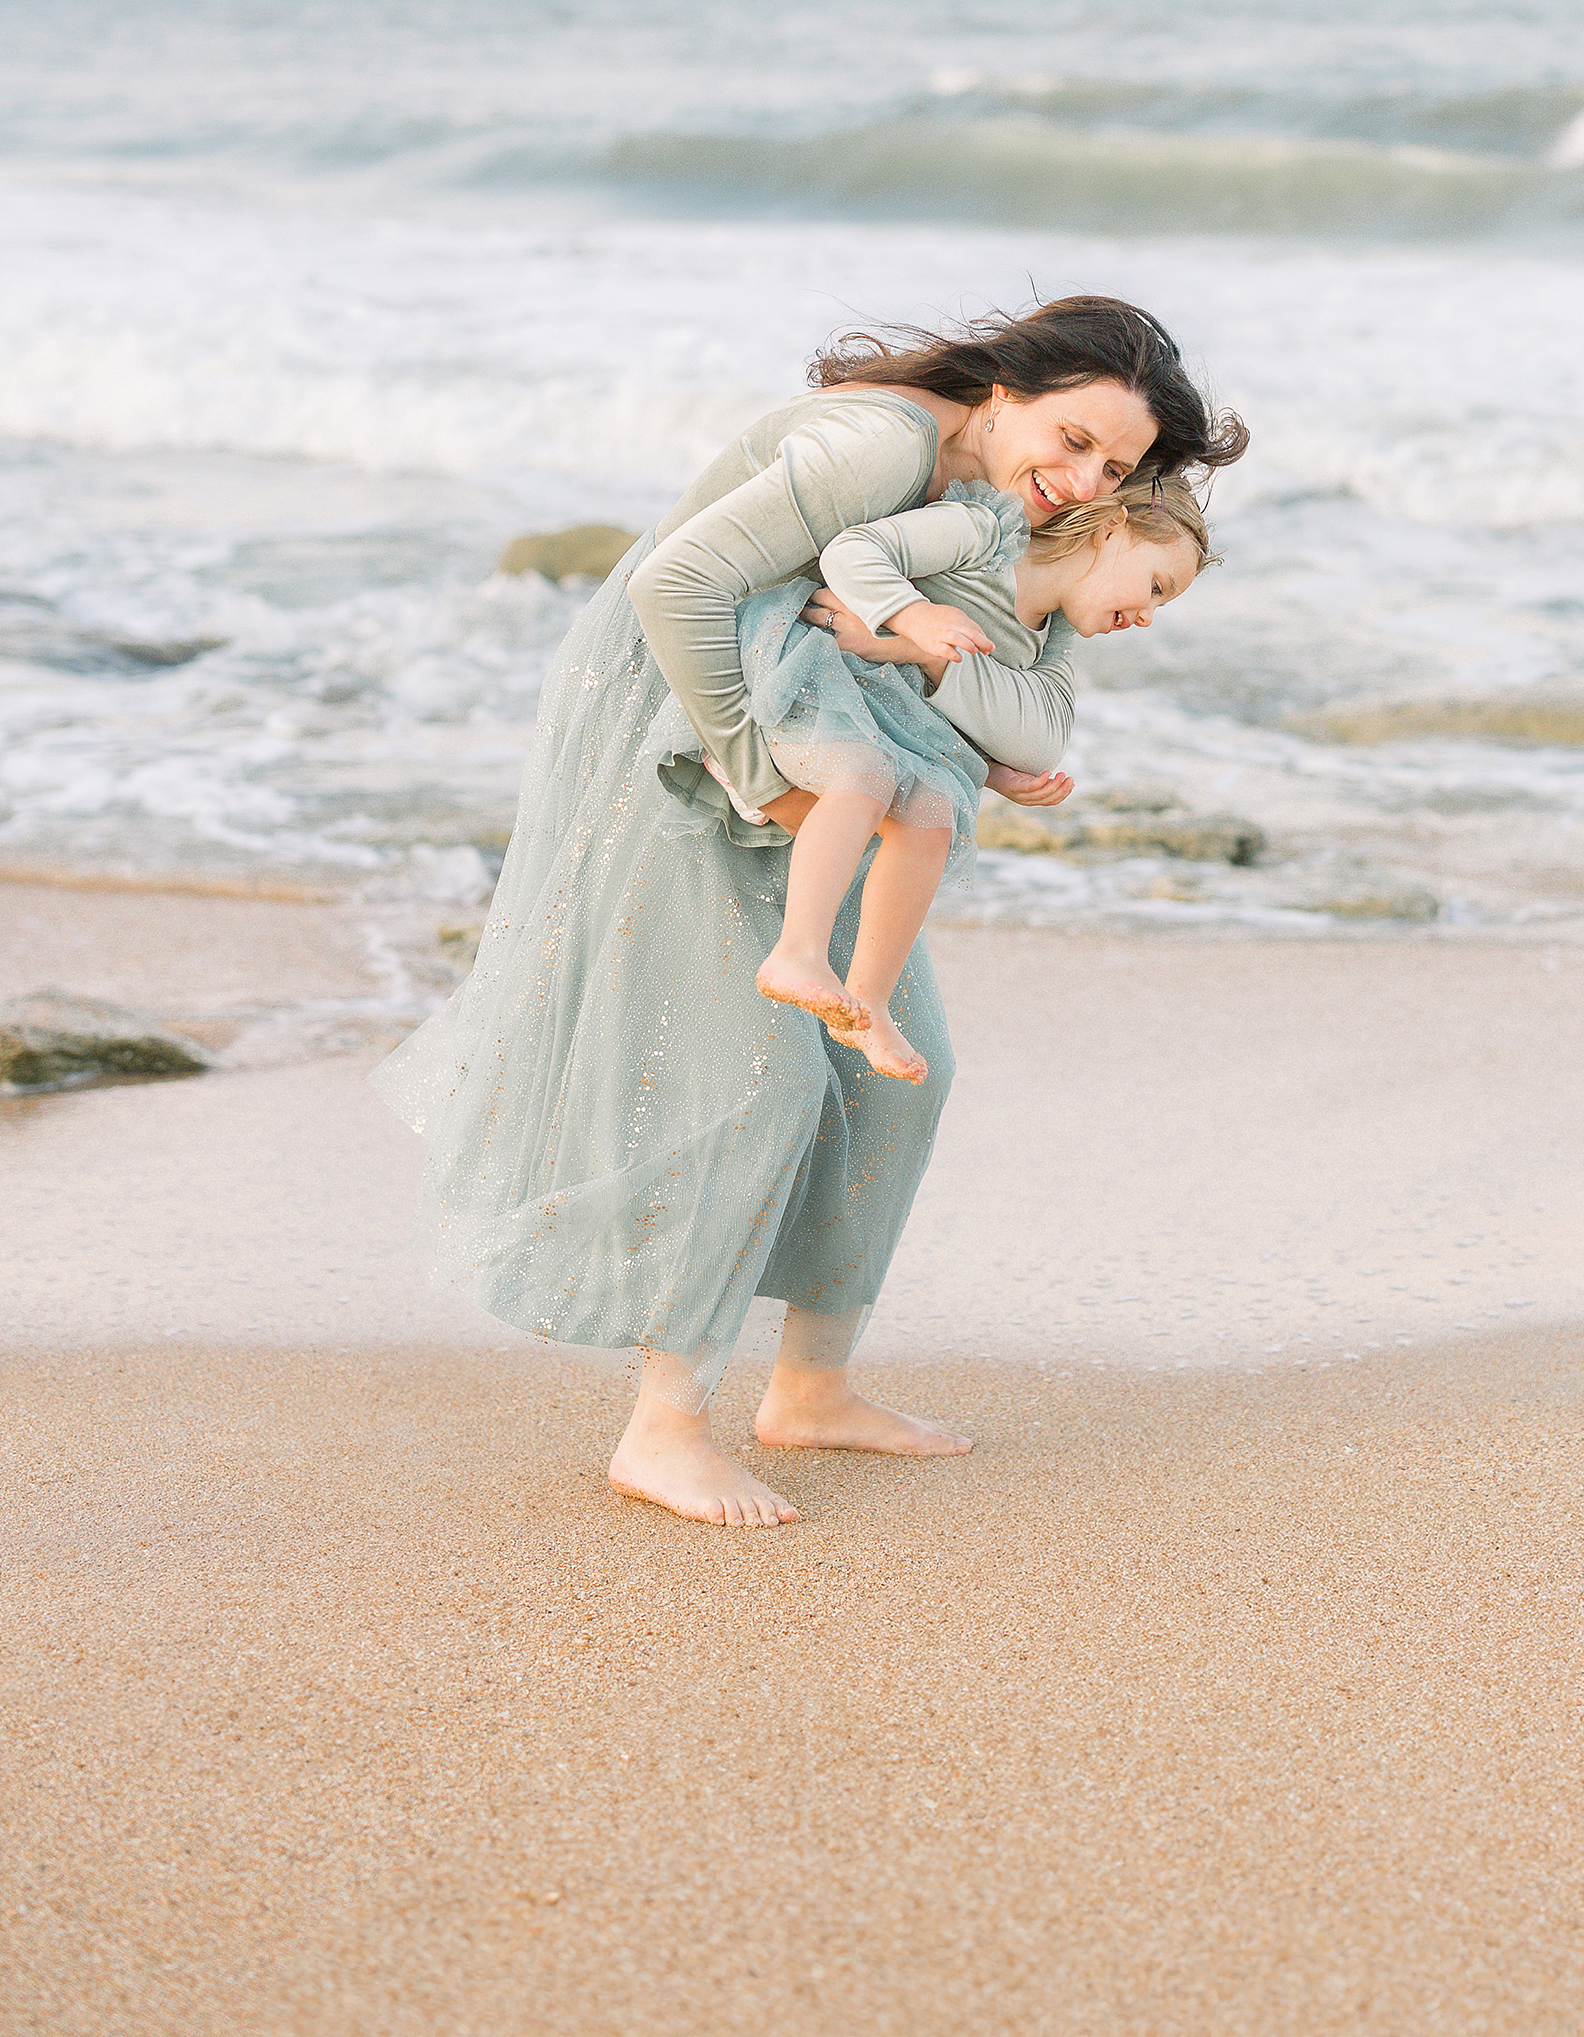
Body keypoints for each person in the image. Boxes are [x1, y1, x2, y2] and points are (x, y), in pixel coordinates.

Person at [371, 296, 1247, 1528]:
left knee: (908, 1069)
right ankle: (663, 1431)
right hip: (680, 721)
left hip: (818, 737)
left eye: (1114, 466)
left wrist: (958, 719)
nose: (1083, 476)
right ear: (1007, 392)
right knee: (746, 1076)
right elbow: (673, 585)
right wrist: (752, 771)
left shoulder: (1001, 513)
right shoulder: (881, 449)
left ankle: (812, 1391)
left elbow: (982, 669)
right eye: (1074, 438)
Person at [737, 475, 1214, 1082]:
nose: (1146, 616)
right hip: (817, 666)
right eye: (1155, 586)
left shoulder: (1050, 637)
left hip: (887, 705)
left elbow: (1029, 737)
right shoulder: (988, 534)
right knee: (865, 776)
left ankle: (868, 1003)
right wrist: (909, 619)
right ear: (1111, 527)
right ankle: (797, 951)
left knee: (934, 814)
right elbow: (854, 554)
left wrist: (984, 767)